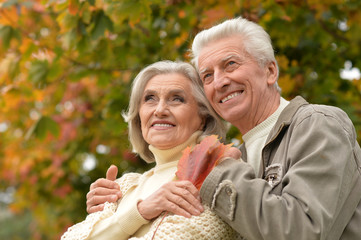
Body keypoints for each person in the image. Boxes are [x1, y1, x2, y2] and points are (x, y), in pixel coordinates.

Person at [86, 17, 361, 240]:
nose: (219, 82)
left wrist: (214, 168)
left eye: (230, 64)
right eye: (207, 75)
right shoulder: (237, 156)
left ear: (270, 72)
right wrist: (118, 207)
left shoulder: (316, 125)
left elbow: (302, 232)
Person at [61, 60, 240, 240]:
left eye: (177, 98)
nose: (160, 110)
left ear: (203, 116)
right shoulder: (124, 186)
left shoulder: (216, 171)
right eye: (150, 99)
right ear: (138, 115)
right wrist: (140, 211)